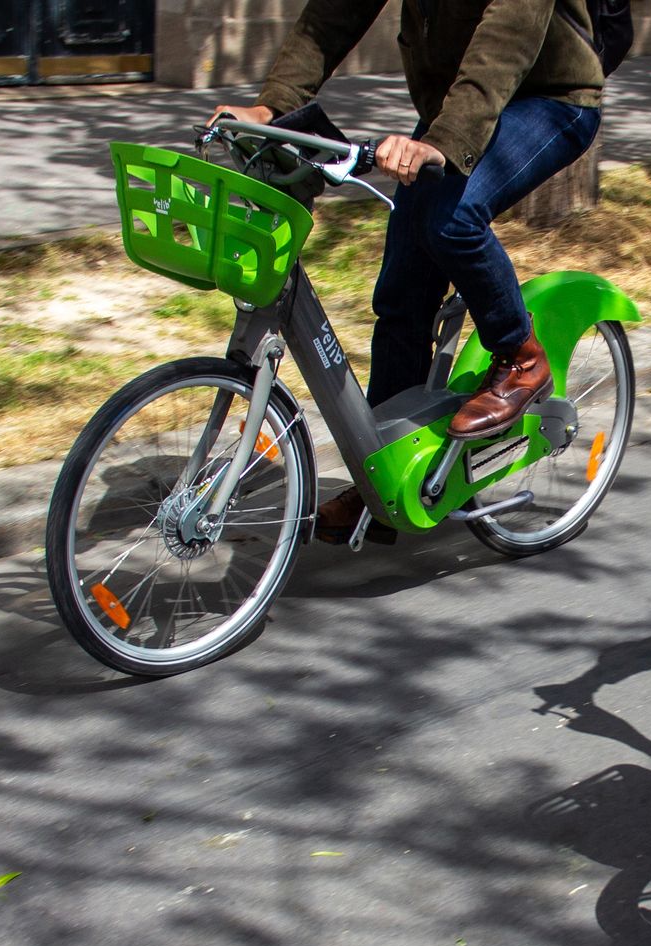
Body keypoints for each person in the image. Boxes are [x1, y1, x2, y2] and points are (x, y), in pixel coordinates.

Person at [214, 0, 606, 541]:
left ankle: (522, 357)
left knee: (453, 219)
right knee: (401, 293)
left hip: (545, 98)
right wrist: (272, 107)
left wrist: (442, 141)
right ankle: (381, 482)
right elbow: (332, 15)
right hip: (454, 113)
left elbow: (508, 33)